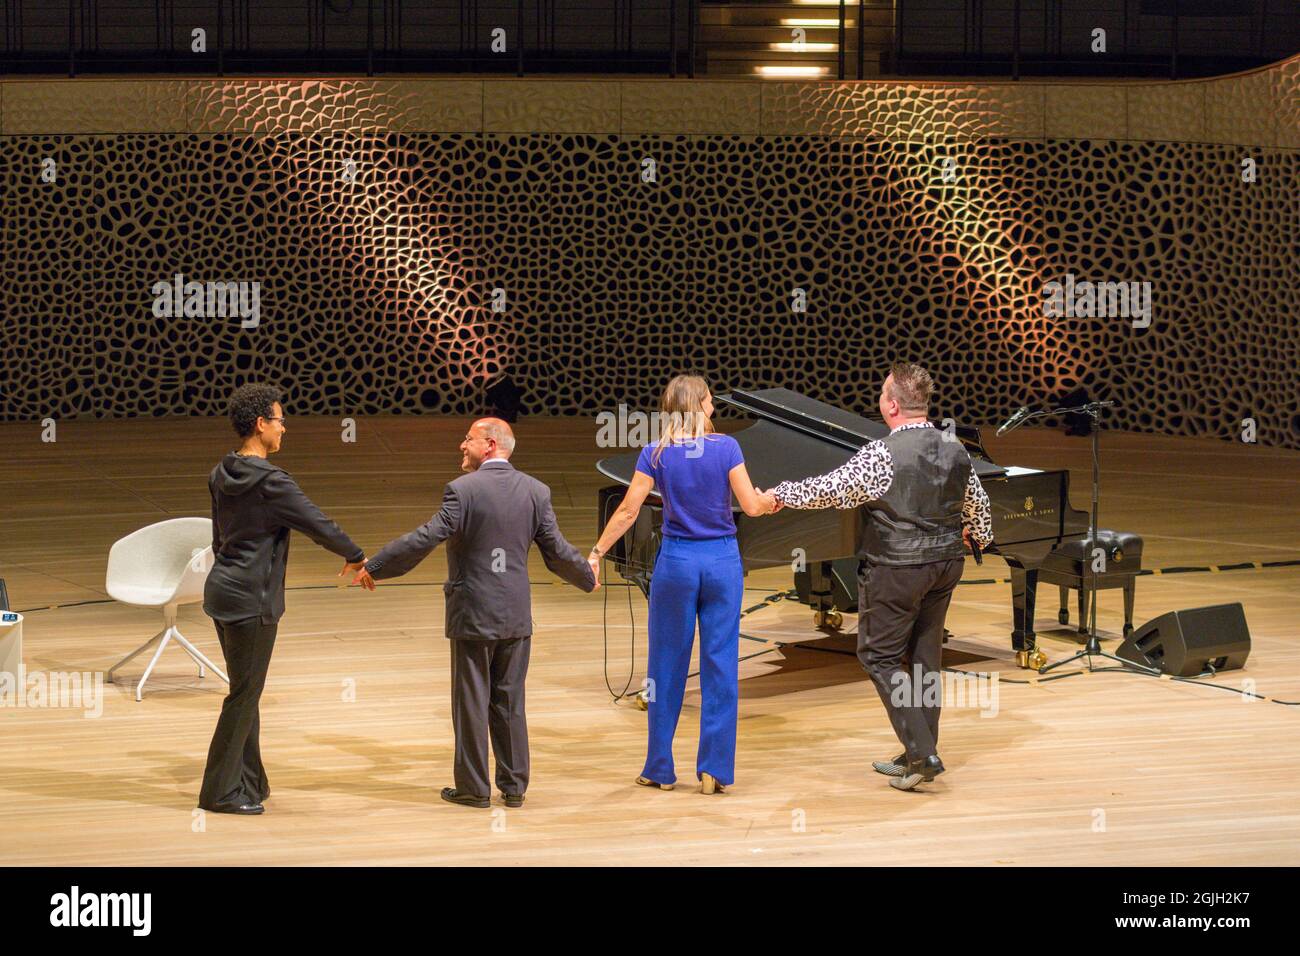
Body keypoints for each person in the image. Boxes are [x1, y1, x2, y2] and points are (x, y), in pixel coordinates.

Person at [771, 363, 993, 791]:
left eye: (881, 393)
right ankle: (920, 749)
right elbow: (978, 506)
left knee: (878, 656)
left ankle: (921, 754)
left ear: (891, 405)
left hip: (897, 567)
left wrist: (780, 494)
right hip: (946, 565)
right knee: (924, 660)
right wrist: (978, 537)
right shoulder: (956, 448)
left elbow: (833, 490)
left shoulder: (882, 453)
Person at [353, 418, 595, 809]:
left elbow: (424, 537)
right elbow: (557, 550)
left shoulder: (463, 491)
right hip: (515, 613)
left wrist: (377, 565)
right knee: (509, 700)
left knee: (471, 700)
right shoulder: (536, 491)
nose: (460, 446)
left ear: (490, 444)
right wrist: (587, 577)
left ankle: (474, 789)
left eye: (467, 439)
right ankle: (514, 788)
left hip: (473, 612)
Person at [591, 375, 779, 794]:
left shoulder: (655, 454)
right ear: (701, 405)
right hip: (722, 561)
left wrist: (597, 552)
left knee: (666, 666)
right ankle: (713, 770)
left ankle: (659, 768)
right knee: (720, 662)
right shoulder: (728, 448)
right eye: (711, 400)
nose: (714, 406)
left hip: (676, 562)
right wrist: (770, 501)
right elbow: (750, 505)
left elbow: (627, 511)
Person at [198, 384, 368, 815]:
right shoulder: (272, 483)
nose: (284, 428)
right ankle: (218, 792)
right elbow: (318, 523)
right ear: (260, 424)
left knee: (245, 690)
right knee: (244, 696)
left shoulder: (222, 471)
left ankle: (251, 782)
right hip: (252, 601)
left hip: (221, 591)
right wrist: (356, 554)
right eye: (279, 420)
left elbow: (219, 538)